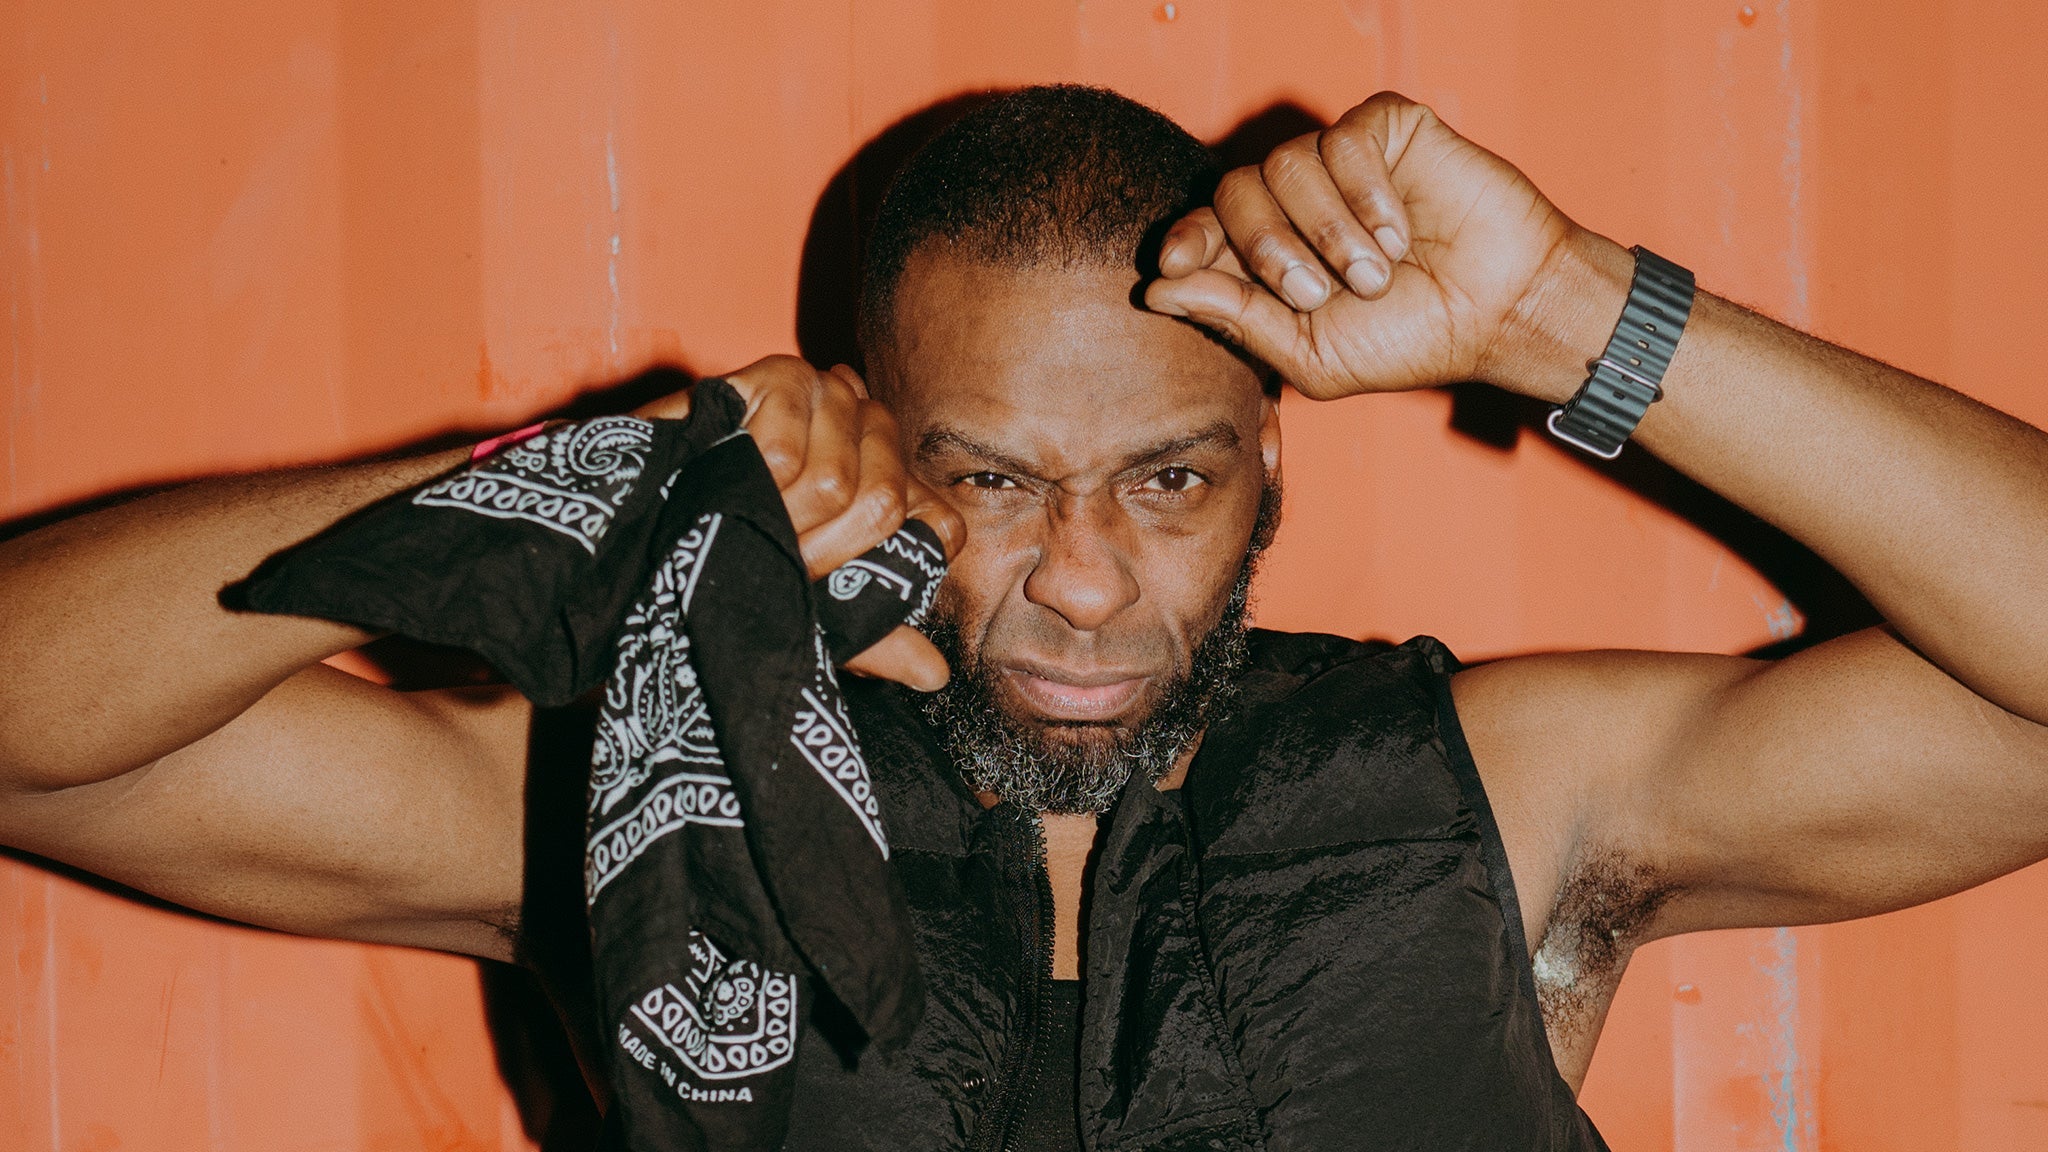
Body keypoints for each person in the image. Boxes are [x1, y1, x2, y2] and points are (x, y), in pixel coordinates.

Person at [1, 82, 2044, 1151]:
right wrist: (569, 486)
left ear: (1269, 459)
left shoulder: (1506, 792)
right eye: (990, 480)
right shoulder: (663, 793)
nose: (1083, 581)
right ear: (875, 451)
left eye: (1170, 480)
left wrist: (1562, 315)